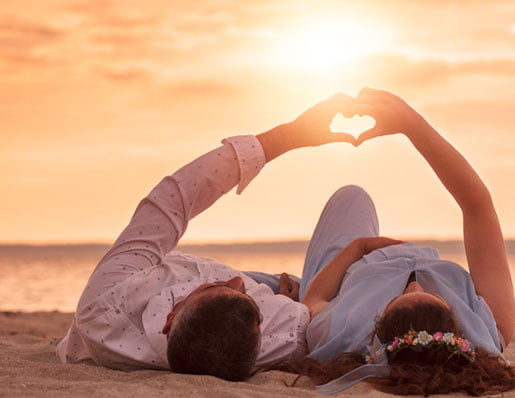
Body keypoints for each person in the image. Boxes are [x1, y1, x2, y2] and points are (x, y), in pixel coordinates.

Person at [56, 93, 358, 381]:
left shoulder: (109, 301)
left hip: (159, 288)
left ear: (171, 317)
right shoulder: (286, 333)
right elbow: (309, 318)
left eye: (216, 288)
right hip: (287, 302)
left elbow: (172, 199)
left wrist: (284, 138)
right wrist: (292, 301)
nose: (238, 281)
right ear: (260, 334)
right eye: (248, 298)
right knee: (352, 200)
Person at [282, 88, 515, 395]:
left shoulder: (345, 331)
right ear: (455, 324)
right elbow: (477, 207)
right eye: (430, 295)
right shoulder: (490, 327)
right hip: (377, 257)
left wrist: (357, 248)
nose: (415, 286)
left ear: (377, 327)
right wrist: (412, 125)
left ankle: (286, 286)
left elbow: (313, 301)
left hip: (350, 265)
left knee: (351, 196)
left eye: (401, 297)